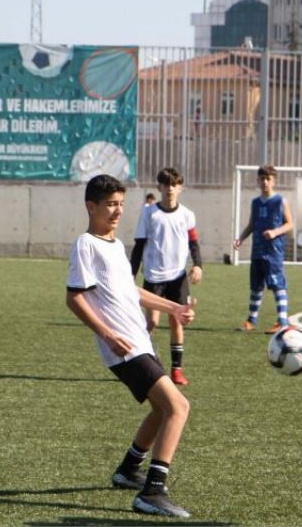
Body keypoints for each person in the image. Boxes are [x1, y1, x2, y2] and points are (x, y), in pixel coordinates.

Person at [66, 174, 195, 518]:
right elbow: (74, 298)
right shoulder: (86, 244)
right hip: (123, 347)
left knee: (160, 409)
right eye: (110, 204)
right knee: (178, 407)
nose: (117, 211)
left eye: (121, 204)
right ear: (90, 206)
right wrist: (107, 334)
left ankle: (128, 470)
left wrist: (174, 308)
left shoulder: (115, 246)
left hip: (139, 341)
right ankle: (152, 491)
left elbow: (131, 291)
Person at [131, 168, 203, 386]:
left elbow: (193, 243)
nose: (170, 189)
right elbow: (139, 246)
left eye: (174, 184)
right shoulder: (149, 213)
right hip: (153, 277)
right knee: (151, 322)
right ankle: (144, 361)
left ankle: (176, 370)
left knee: (176, 321)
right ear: (159, 187)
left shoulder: (187, 215)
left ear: (180, 188)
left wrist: (198, 265)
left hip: (177, 277)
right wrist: (129, 276)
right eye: (166, 184)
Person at [232, 164, 293, 334]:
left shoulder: (280, 201)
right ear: (258, 181)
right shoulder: (255, 203)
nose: (265, 182)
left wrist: (275, 232)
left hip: (274, 252)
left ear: (274, 181)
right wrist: (241, 238)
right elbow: (251, 225)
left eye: (268, 179)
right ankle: (251, 320)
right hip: (257, 251)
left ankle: (282, 321)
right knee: (256, 286)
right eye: (262, 179)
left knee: (277, 285)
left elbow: (289, 224)